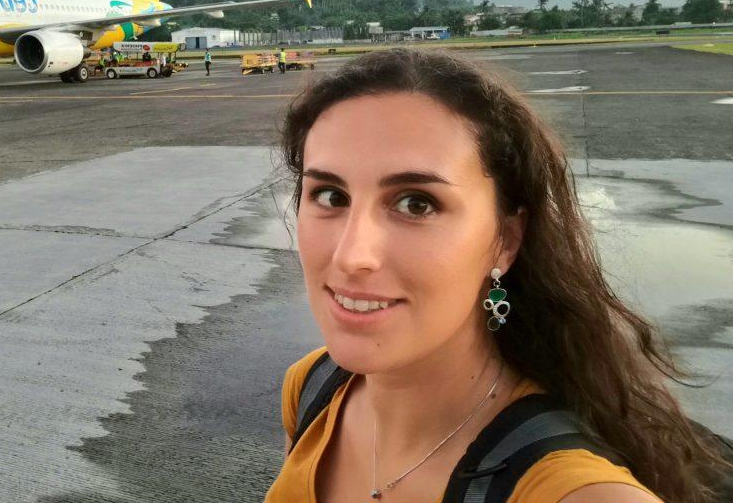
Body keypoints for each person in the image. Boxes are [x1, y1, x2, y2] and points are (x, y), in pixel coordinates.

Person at [267, 49, 729, 503]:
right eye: (329, 196)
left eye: (416, 204)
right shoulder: (312, 388)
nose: (352, 256)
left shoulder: (574, 492)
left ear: (505, 239)